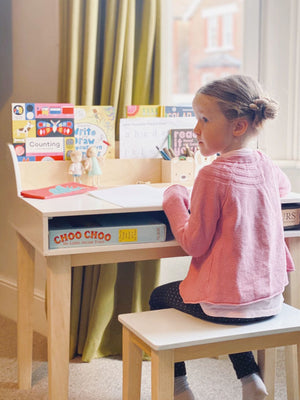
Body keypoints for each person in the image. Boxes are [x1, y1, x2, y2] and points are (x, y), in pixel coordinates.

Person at [149, 75, 295, 400]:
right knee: (229, 300)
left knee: (160, 297)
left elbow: (193, 243)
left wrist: (174, 199)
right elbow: (283, 188)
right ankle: (251, 381)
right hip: (270, 300)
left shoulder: (213, 175)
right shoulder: (265, 164)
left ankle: (179, 389)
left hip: (227, 306)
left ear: (238, 126)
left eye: (204, 119)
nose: (196, 129)